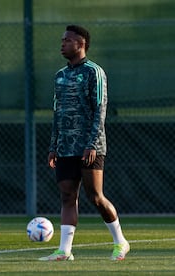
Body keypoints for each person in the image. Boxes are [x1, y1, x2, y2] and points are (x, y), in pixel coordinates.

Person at [39, 25, 130, 261]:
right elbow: (57, 112)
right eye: (62, 40)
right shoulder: (60, 75)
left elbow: (100, 109)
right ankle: (64, 251)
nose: (62, 44)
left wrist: (92, 143)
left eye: (67, 40)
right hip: (65, 147)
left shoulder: (94, 72)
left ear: (80, 44)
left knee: (95, 196)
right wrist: (53, 146)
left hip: (90, 145)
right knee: (67, 196)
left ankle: (121, 242)